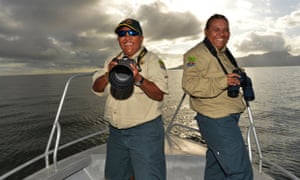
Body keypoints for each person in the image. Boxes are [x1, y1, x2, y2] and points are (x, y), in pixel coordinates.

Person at [92, 18, 168, 180]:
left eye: (132, 33)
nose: (127, 37)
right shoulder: (111, 61)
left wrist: (138, 78)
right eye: (122, 34)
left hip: (145, 132)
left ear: (141, 38)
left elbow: (159, 94)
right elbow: (96, 88)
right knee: (116, 176)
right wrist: (108, 74)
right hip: (116, 133)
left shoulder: (152, 60)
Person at [182, 14, 253, 180]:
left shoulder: (223, 53)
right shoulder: (195, 55)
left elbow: (224, 74)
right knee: (240, 172)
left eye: (226, 30)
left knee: (217, 168)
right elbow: (189, 85)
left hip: (227, 117)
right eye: (217, 29)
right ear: (206, 32)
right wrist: (223, 81)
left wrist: (242, 78)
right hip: (216, 120)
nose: (222, 33)